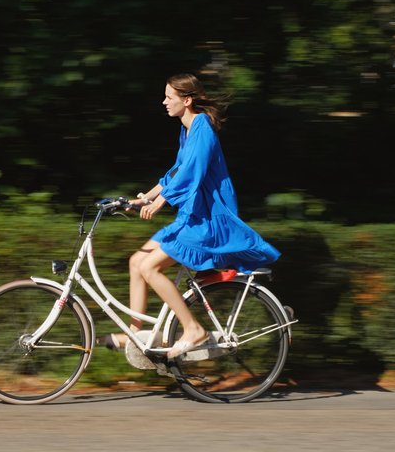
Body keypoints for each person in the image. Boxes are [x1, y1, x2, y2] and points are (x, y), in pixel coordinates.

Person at [100, 73, 281, 359]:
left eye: (169, 97)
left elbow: (191, 174)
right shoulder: (187, 130)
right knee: (137, 262)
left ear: (186, 100)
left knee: (150, 269)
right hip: (191, 217)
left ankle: (192, 329)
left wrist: (160, 202)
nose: (164, 102)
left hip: (208, 221)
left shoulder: (203, 128)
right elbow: (174, 172)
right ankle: (136, 333)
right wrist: (143, 198)